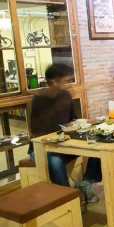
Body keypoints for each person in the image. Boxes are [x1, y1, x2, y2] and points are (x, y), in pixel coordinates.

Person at [28, 64, 90, 195]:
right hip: (42, 146)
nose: (69, 85)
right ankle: (68, 196)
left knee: (93, 148)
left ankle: (82, 186)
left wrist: (75, 123)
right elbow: (38, 131)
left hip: (64, 143)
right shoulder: (39, 99)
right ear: (54, 81)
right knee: (56, 161)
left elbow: (72, 118)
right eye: (66, 81)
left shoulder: (65, 95)